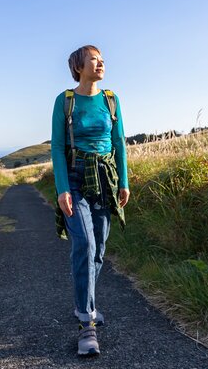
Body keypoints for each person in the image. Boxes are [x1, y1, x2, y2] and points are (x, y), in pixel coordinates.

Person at [51, 44, 130, 356]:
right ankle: (86, 324)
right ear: (78, 67)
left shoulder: (111, 100)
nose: (100, 64)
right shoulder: (65, 101)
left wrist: (124, 181)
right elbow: (57, 146)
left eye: (102, 60)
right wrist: (61, 189)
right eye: (93, 60)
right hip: (75, 177)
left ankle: (87, 305)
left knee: (99, 250)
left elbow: (119, 141)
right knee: (84, 244)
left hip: (106, 179)